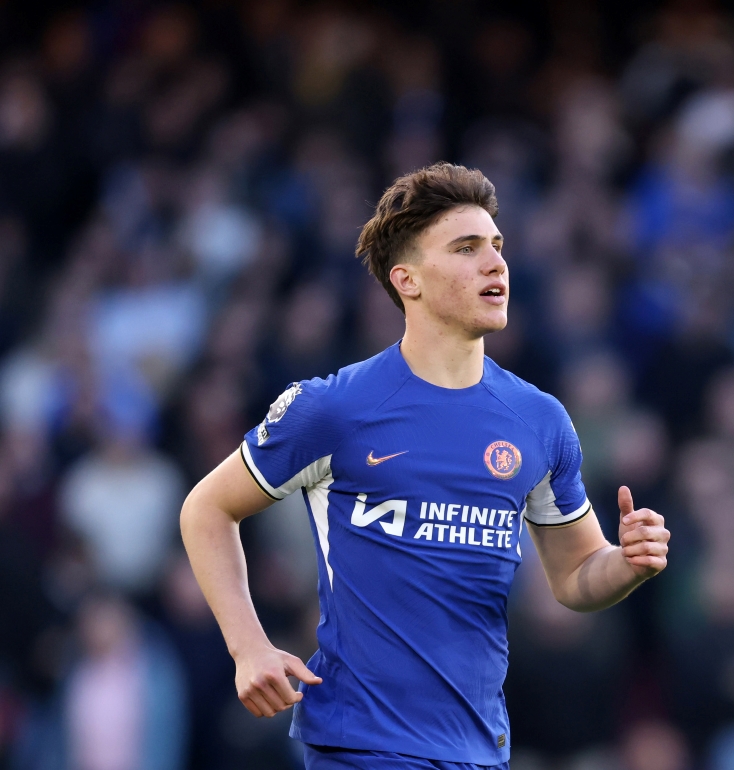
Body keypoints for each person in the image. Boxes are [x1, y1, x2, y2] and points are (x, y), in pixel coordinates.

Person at [179, 162, 670, 770]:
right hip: (360, 747)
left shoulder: (540, 421)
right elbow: (207, 507)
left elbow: (575, 577)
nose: (495, 263)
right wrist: (248, 647)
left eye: (496, 246)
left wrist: (625, 563)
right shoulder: (334, 408)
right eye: (466, 249)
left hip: (479, 750)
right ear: (406, 279)